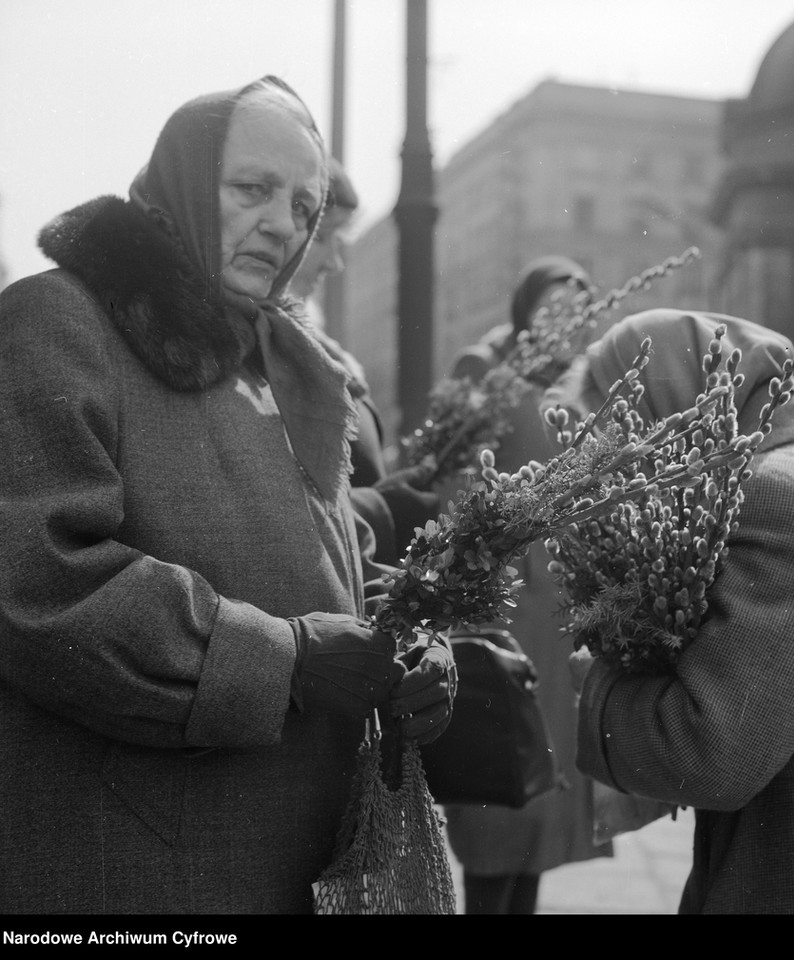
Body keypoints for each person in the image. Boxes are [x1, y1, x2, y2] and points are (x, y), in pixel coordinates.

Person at [0, 75, 455, 915]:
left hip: (295, 853)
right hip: (140, 867)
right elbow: (41, 585)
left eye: (305, 206)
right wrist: (286, 658)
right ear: (180, 180)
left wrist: (409, 645)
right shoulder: (57, 321)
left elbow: (331, 559)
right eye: (252, 189)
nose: (283, 225)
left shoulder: (286, 361)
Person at [549, 307, 794, 915]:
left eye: (625, 437)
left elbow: (713, 753)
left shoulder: (777, 493)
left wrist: (600, 691)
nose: (627, 466)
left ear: (670, 407)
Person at [440, 255, 615, 915]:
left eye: (577, 310)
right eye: (551, 306)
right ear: (523, 307)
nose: (564, 322)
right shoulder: (483, 369)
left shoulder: (583, 379)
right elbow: (448, 480)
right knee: (499, 782)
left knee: (547, 789)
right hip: (502, 598)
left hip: (562, 607)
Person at [290, 156, 439, 565]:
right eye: (324, 235)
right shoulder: (273, 357)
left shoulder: (326, 353)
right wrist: (382, 509)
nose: (335, 262)